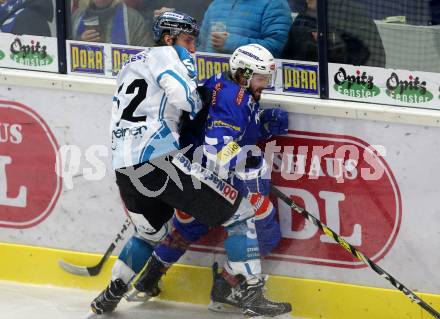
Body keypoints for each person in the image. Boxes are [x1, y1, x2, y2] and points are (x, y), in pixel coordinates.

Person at [89, 12, 291, 318]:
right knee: (241, 214)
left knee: (149, 233)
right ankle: (251, 294)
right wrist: (197, 103)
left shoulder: (129, 64)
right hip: (161, 159)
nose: (193, 48)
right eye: (188, 40)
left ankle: (111, 293)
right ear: (170, 39)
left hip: (124, 165)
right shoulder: (169, 56)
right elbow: (187, 101)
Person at [135, 43, 290, 315]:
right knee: (263, 224)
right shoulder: (235, 98)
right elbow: (218, 145)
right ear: (243, 74)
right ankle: (228, 286)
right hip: (208, 173)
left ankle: (150, 276)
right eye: (261, 78)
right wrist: (249, 161)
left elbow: (227, 129)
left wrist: (262, 121)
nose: (266, 84)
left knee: (189, 227)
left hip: (191, 169)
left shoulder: (224, 83)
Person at [282, 0, 386, 67]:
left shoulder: (354, 15)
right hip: (306, 86)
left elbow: (375, 57)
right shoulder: (304, 17)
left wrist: (332, 42)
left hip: (347, 87)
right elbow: (288, 57)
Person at [197, 0, 292, 58]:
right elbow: (201, 43)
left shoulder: (275, 3)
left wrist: (232, 43)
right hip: (211, 78)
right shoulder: (217, 3)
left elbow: (275, 47)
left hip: (248, 81)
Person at [71, 0, 150, 46]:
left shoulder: (133, 18)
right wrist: (80, 41)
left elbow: (145, 56)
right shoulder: (77, 16)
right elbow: (64, 50)